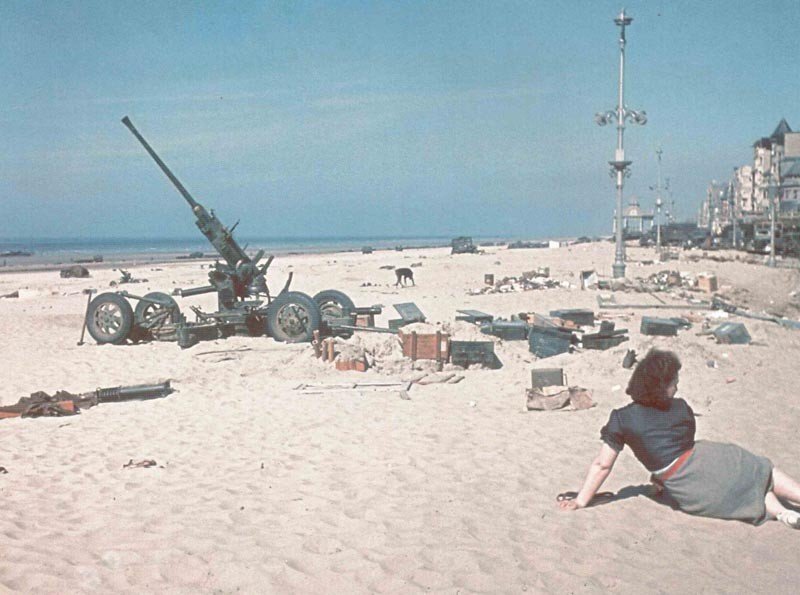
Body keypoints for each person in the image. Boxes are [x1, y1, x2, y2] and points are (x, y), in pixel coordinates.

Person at [558, 348, 800, 529]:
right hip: (710, 459)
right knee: (759, 470)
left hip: (687, 486)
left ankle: (781, 513)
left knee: (746, 489)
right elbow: (685, 441)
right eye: (673, 382)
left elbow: (603, 465)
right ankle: (791, 503)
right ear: (660, 387)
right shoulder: (681, 407)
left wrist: (581, 500)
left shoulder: (623, 419)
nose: (676, 385)